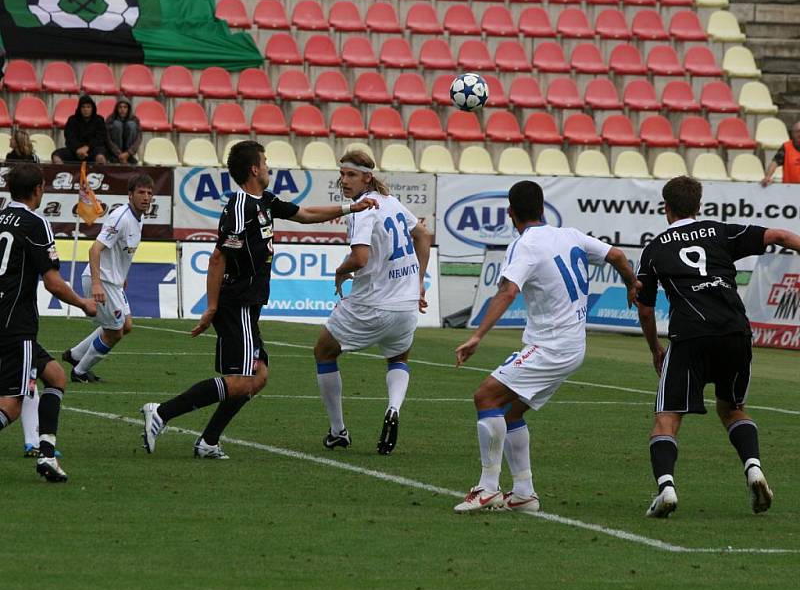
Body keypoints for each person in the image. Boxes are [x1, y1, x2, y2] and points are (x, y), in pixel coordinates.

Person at [139, 141, 377, 459]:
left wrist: (351, 208)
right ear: (254, 169)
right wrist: (211, 307)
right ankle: (162, 413)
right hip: (235, 302)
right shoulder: (241, 207)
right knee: (242, 379)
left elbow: (305, 214)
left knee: (258, 376)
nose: (268, 167)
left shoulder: (264, 201)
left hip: (248, 305)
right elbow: (217, 258)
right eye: (264, 162)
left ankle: (208, 441)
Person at [452, 180, 639, 513]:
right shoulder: (570, 235)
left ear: (511, 212)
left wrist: (477, 335)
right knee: (510, 412)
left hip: (551, 346)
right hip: (572, 345)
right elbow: (619, 256)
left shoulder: (524, 244)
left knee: (485, 397)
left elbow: (508, 292)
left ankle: (488, 488)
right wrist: (631, 285)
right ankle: (523, 493)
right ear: (542, 208)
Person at [635, 176, 800, 518]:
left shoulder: (654, 250)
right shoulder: (721, 232)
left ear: (666, 208)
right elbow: (781, 236)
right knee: (732, 408)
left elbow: (646, 307)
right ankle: (753, 468)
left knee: (667, 418)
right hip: (735, 332)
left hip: (690, 337)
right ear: (699, 206)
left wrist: (655, 350)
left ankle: (666, 488)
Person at [314, 151, 432, 455]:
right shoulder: (392, 203)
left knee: (324, 351)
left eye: (350, 175)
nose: (344, 180)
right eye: (341, 174)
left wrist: (341, 270)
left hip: (371, 305)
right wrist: (418, 282)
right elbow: (422, 234)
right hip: (405, 306)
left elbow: (360, 257)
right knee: (398, 359)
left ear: (367, 177)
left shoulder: (363, 211)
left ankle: (338, 431)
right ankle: (393, 408)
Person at [0, 162, 96, 481]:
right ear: (38, 189)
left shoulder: (0, 216)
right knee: (11, 407)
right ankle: (45, 456)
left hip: (9, 319)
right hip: (15, 323)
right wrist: (83, 303)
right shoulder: (35, 222)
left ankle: (46, 457)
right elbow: (53, 282)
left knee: (55, 376)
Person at [61, 174, 153, 383]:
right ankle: (80, 372)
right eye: (141, 192)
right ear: (130, 195)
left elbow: (123, 251)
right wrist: (96, 284)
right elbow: (94, 250)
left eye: (149, 193)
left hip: (113, 281)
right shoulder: (120, 218)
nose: (146, 197)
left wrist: (123, 275)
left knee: (125, 325)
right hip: (101, 280)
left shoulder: (140, 217)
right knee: (115, 332)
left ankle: (75, 355)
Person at [51, 94, 108, 164]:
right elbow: (69, 138)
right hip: (75, 151)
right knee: (56, 155)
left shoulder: (99, 120)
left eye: (88, 107)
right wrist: (78, 149)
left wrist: (87, 147)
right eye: (83, 107)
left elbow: (100, 138)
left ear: (92, 108)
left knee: (100, 157)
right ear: (79, 108)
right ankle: (63, 174)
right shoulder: (72, 120)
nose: (86, 109)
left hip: (93, 150)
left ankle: (100, 174)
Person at [761, 121, 800, 186]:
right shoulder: (786, 147)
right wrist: (768, 176)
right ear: (792, 133)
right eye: (797, 131)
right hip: (789, 189)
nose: (799, 134)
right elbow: (774, 163)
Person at [105, 97, 141, 165]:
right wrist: (118, 153)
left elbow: (139, 138)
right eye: (120, 107)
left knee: (132, 125)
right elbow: (107, 138)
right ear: (117, 109)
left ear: (128, 109)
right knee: (117, 124)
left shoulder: (135, 119)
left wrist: (129, 152)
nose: (122, 109)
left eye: (125, 107)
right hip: (115, 152)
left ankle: (128, 157)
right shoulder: (110, 119)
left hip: (128, 152)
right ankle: (118, 157)